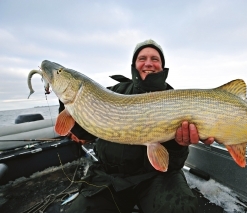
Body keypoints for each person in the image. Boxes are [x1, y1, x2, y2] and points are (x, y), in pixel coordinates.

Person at [63, 39, 214, 213]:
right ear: (134, 64)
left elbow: (173, 164)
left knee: (180, 208)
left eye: (155, 59)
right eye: (142, 58)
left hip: (157, 178)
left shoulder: (175, 99)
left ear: (162, 66)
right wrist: (67, 104)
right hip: (108, 177)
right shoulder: (114, 91)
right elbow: (83, 132)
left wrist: (177, 144)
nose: (148, 63)